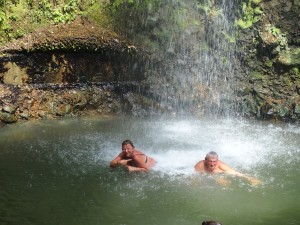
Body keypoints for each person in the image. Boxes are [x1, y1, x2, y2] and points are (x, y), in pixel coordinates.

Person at [194, 151, 261, 186]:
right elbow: (194, 175)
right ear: (205, 160)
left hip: (219, 175)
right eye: (210, 161)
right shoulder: (200, 165)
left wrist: (250, 179)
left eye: (214, 161)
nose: (212, 164)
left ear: (217, 160)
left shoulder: (221, 166)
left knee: (224, 183)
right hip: (208, 176)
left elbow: (236, 173)